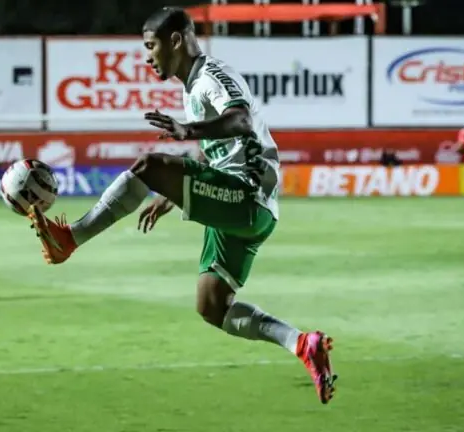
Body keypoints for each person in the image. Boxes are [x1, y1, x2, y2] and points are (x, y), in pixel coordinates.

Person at [28, 7, 336, 404]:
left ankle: (69, 239)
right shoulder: (192, 86)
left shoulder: (211, 76)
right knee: (211, 305)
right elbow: (225, 148)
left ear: (176, 41)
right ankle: (303, 344)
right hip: (242, 204)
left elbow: (240, 120)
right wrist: (169, 196)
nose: (147, 56)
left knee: (150, 164)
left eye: (151, 46)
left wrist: (187, 131)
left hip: (246, 197)